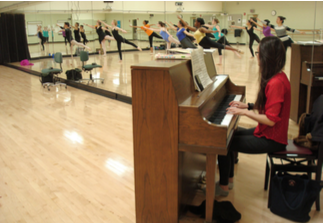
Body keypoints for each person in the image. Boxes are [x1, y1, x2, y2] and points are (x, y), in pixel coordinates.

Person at [216, 36, 291, 197]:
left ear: (266, 56)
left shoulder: (276, 82)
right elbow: (271, 105)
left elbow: (270, 120)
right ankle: (227, 180)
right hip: (267, 133)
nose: (257, 56)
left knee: (222, 140)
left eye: (258, 52)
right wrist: (248, 105)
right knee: (226, 135)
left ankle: (223, 187)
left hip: (272, 139)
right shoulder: (278, 77)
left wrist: (244, 112)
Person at [177, 16, 243, 55]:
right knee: (206, 53)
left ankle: (237, 50)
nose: (194, 23)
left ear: (198, 23)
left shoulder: (201, 28)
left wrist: (213, 31)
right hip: (202, 44)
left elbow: (207, 31)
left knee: (220, 46)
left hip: (206, 41)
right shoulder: (195, 29)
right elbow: (187, 25)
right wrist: (180, 18)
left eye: (195, 21)